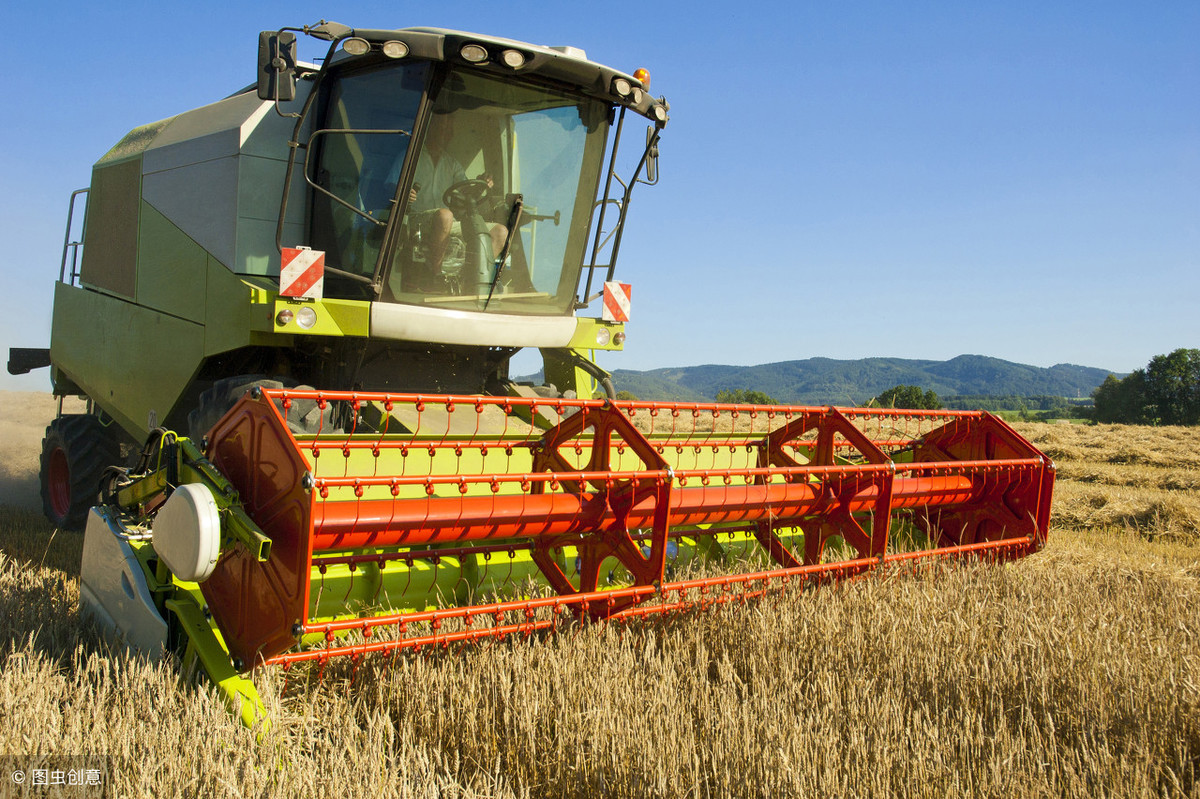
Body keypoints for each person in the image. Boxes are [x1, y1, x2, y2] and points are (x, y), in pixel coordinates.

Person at [400, 112, 507, 286]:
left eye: (448, 131)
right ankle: (435, 278)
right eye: (441, 129)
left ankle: (468, 281)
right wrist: (405, 193)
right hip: (416, 219)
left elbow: (466, 192)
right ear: (431, 130)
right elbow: (389, 186)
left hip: (447, 221)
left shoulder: (452, 164)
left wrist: (481, 183)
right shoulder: (411, 158)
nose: (445, 134)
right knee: (445, 215)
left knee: (500, 232)